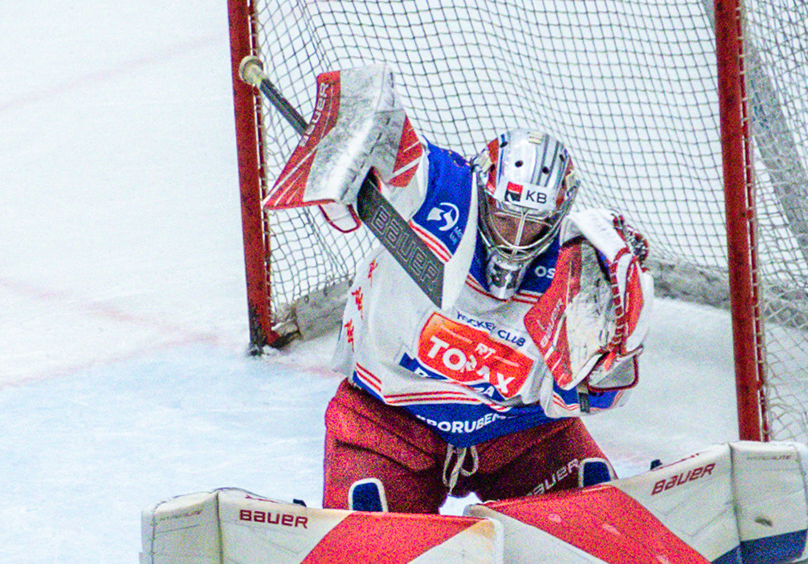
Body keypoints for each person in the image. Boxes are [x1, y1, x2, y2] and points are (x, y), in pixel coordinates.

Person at [263, 70, 653, 515]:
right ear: (482, 192)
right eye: (505, 218)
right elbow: (385, 129)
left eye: (534, 224)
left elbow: (588, 396)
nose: (516, 239)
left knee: (591, 506)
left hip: (518, 434)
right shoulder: (440, 191)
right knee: (368, 522)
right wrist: (348, 148)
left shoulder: (579, 269)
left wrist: (608, 359)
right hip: (391, 424)